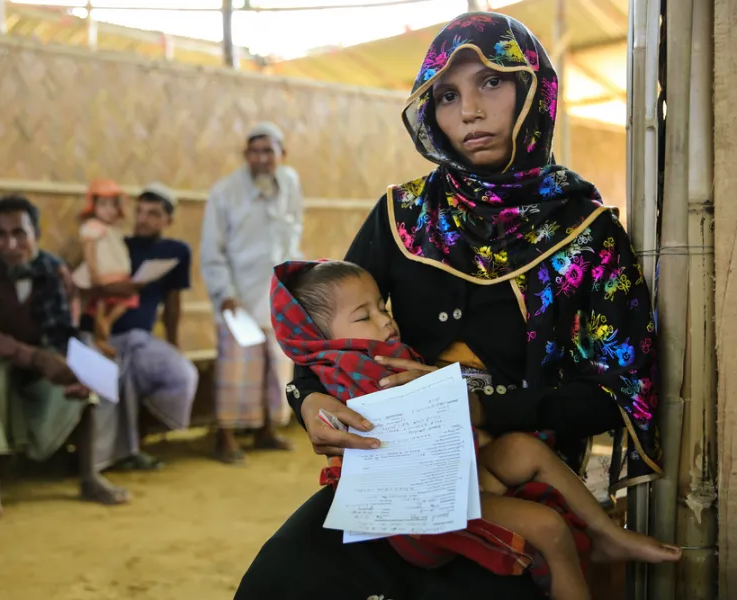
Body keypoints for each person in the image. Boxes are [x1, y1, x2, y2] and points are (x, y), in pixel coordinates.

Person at [236, 13, 666, 600]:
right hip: (390, 478)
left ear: (532, 87)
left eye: (491, 82)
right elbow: (323, 338)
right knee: (278, 579)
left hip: (516, 482)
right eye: (446, 94)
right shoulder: (400, 216)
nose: (468, 110)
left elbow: (616, 394)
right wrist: (309, 399)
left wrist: (485, 410)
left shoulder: (587, 236)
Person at [270, 260, 680, 600]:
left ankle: (607, 535)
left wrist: (467, 409)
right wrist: (304, 396)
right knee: (550, 530)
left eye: (384, 307)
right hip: (417, 509)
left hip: (456, 466)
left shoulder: (378, 354)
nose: (386, 321)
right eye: (366, 316)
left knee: (526, 450)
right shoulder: (363, 368)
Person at [0, 194, 130, 520]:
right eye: (0, 234)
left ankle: (89, 476)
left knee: (85, 367)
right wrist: (36, 358)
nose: (10, 243)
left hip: (40, 352)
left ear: (36, 233)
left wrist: (74, 366)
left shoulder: (54, 271)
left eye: (19, 233)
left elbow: (64, 332)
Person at [200, 122, 304, 463]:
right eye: (255, 152)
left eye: (268, 151)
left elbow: (294, 232)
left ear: (282, 155)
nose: (262, 159)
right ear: (246, 156)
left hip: (276, 294)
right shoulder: (224, 192)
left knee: (274, 367)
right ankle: (225, 438)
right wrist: (224, 293)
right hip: (238, 297)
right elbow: (212, 251)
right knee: (235, 371)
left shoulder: (290, 183)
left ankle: (266, 430)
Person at [83, 182, 198, 472]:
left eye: (154, 213)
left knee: (182, 374)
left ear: (168, 220)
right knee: (115, 377)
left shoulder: (177, 251)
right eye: (140, 212)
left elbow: (173, 304)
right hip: (106, 334)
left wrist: (174, 343)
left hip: (141, 338)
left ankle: (140, 439)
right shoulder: (116, 245)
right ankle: (114, 457)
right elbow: (91, 291)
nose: (144, 218)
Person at [72, 179, 139, 358]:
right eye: (103, 205)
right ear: (94, 206)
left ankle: (105, 328)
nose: (109, 210)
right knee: (99, 304)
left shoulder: (114, 230)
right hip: (100, 276)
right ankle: (100, 336)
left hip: (116, 275)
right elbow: (90, 252)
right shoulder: (92, 228)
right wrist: (94, 274)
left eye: (113, 205)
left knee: (125, 300)